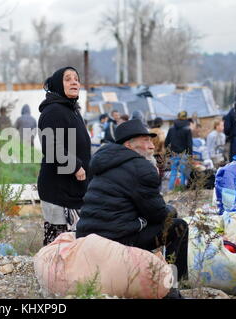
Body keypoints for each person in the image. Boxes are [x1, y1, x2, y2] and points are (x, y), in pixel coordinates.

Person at [76, 119, 188, 298]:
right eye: (145, 140)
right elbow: (157, 213)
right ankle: (174, 282)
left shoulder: (102, 162)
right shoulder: (141, 167)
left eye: (151, 140)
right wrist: (171, 210)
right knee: (178, 225)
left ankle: (146, 270)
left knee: (141, 222)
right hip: (117, 239)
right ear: (129, 145)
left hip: (87, 237)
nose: (151, 146)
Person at [37, 66, 91, 246]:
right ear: (58, 85)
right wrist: (75, 165)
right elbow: (51, 146)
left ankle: (68, 274)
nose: (74, 81)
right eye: (68, 79)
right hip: (58, 190)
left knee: (73, 242)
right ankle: (50, 273)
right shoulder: (54, 111)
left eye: (76, 78)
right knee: (58, 243)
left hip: (72, 189)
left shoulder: (71, 109)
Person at [165, 111, 193, 190]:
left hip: (173, 154)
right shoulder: (187, 129)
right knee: (183, 173)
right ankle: (181, 189)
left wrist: (169, 153)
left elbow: (166, 142)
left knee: (173, 172)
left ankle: (170, 189)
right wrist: (190, 156)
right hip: (184, 154)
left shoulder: (171, 129)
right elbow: (189, 144)